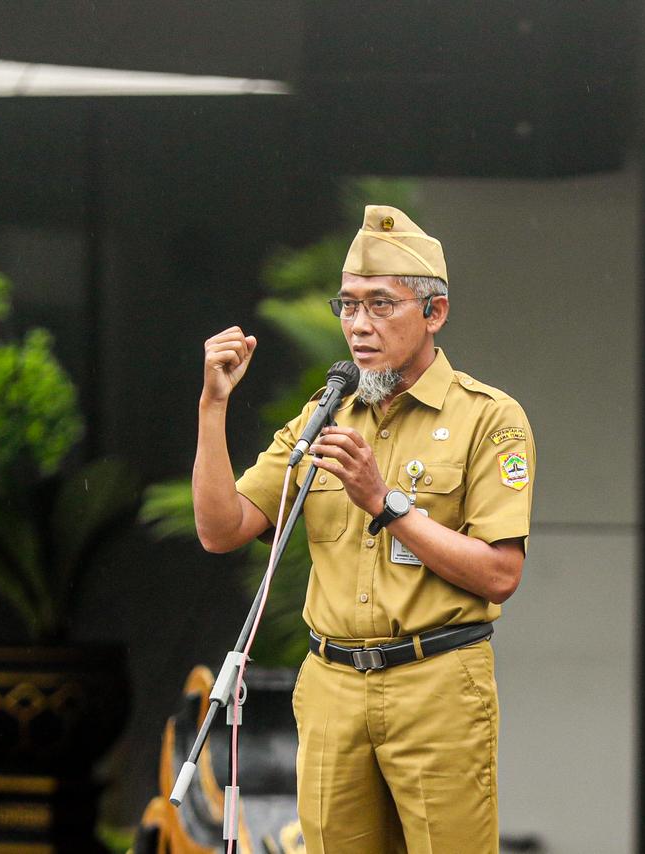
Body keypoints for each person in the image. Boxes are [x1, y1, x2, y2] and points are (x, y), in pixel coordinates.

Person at [193, 205, 535, 853]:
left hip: (437, 681)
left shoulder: (488, 419)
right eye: (348, 305)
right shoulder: (325, 415)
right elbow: (222, 528)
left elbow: (500, 573)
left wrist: (384, 504)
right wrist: (214, 406)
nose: (358, 324)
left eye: (381, 304)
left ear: (434, 312)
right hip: (333, 686)